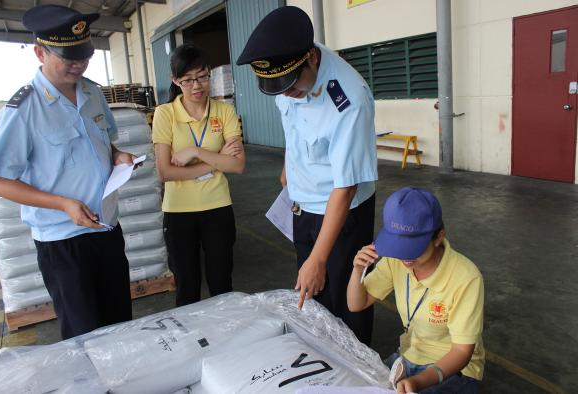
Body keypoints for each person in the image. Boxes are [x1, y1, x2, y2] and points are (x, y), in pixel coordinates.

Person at [0, 5, 134, 339]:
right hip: (64, 242)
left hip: (107, 229)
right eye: (69, 57)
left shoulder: (93, 93)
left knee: (121, 324)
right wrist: (63, 203)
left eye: (84, 55)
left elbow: (104, 144)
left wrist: (119, 155)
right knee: (83, 334)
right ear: (40, 52)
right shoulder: (25, 109)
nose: (79, 64)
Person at [236, 6, 378, 345]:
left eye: (291, 87)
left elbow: (345, 187)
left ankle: (356, 371)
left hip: (342, 213)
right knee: (314, 298)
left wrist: (318, 258)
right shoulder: (288, 77)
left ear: (312, 58)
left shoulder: (349, 101)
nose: (286, 94)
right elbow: (292, 123)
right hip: (303, 204)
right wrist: (290, 166)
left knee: (347, 298)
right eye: (278, 88)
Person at [347, 187, 484, 393]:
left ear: (438, 237)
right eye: (398, 245)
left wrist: (418, 382)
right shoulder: (396, 260)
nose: (405, 256)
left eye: (412, 247)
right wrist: (358, 271)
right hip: (408, 356)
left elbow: (461, 352)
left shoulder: (466, 277)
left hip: (454, 369)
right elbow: (357, 304)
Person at [152, 43, 245, 307]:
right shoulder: (165, 114)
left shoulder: (224, 111)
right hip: (179, 211)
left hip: (218, 207)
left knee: (221, 283)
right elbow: (165, 172)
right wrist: (217, 160)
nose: (197, 86)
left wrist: (195, 151)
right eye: (188, 79)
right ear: (175, 80)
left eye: (203, 76)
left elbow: (238, 165)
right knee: (187, 286)